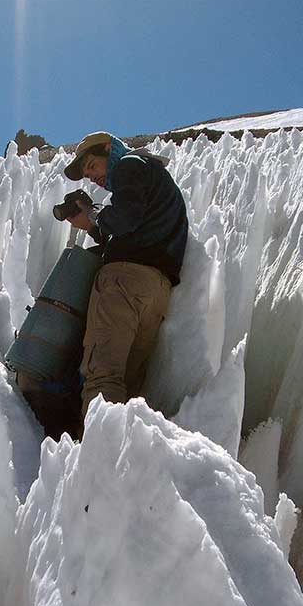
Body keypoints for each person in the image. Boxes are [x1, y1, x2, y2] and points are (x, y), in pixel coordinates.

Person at [62, 131, 188, 416]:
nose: (91, 176)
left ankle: (94, 457)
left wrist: (96, 216)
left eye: (92, 165)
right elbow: (137, 230)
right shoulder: (153, 177)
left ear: (109, 149)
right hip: (156, 291)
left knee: (103, 377)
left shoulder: (129, 166)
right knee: (128, 386)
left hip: (123, 284)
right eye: (86, 173)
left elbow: (125, 218)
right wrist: (94, 227)